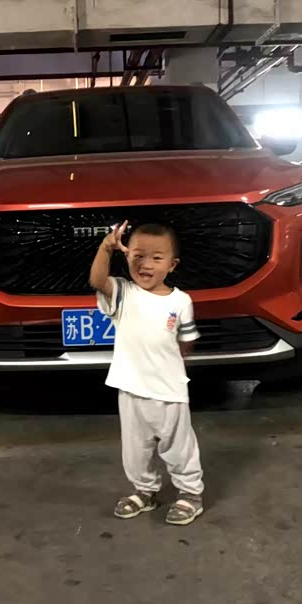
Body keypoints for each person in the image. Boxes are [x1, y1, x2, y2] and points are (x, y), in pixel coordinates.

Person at [89, 220, 204, 526]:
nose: (146, 264)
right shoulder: (123, 293)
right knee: (135, 449)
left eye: (156, 257)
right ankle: (144, 491)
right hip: (130, 388)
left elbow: (186, 341)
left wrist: (172, 365)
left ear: (172, 265)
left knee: (178, 446)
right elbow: (98, 280)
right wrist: (106, 247)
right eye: (138, 256)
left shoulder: (181, 301)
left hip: (169, 391)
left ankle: (190, 494)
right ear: (126, 257)